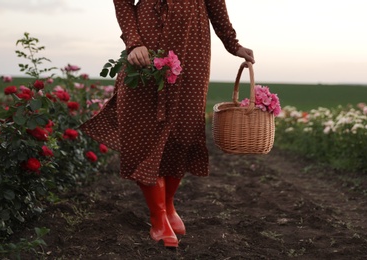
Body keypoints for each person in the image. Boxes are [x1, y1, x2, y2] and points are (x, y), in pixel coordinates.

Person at [80, 0, 254, 248]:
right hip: (146, 47)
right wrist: (134, 42)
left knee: (184, 129)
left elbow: (215, 5)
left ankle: (168, 205)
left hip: (192, 47)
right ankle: (158, 216)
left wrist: (233, 44)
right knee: (143, 128)